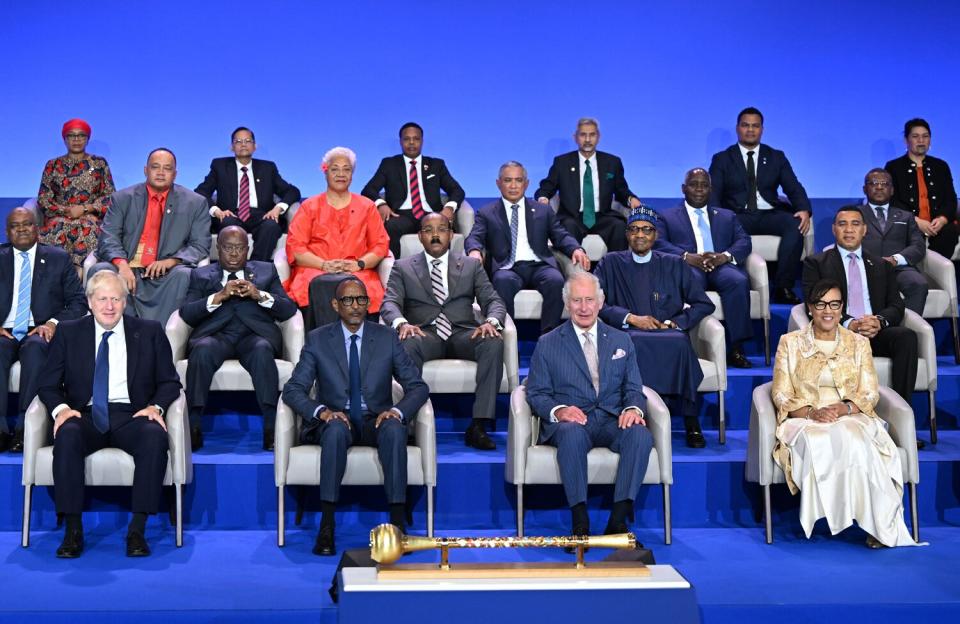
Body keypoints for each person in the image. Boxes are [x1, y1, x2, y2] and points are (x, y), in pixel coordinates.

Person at [38, 270, 181, 558]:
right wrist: (62, 410)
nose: (109, 306)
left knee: (154, 436)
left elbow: (170, 382)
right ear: (90, 302)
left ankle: (137, 529)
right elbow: (47, 384)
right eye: (102, 299)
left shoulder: (150, 331)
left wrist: (156, 407)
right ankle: (73, 531)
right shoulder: (69, 332)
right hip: (85, 415)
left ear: (125, 302)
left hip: (131, 414)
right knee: (67, 436)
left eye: (116, 298)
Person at [282, 278, 429, 556]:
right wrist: (322, 412)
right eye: (348, 300)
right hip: (337, 421)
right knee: (336, 431)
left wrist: (397, 411)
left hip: (376, 419)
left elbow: (418, 387)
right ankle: (327, 527)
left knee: (395, 429)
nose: (355, 306)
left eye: (361, 299)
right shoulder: (318, 339)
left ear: (368, 303)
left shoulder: (386, 338)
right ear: (335, 305)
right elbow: (293, 390)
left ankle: (397, 527)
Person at [771, 278, 920, 548]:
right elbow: (780, 392)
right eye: (821, 304)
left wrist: (845, 408)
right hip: (804, 417)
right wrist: (811, 413)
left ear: (842, 309)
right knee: (825, 438)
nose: (828, 310)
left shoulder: (859, 343)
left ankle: (880, 525)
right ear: (810, 309)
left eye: (834, 304)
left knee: (856, 438)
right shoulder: (790, 343)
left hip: (850, 412)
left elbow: (870, 392)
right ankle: (853, 517)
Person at [525, 271, 653, 538]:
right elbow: (536, 392)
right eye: (576, 301)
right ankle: (580, 522)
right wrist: (559, 411)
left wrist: (632, 408)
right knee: (571, 435)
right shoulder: (548, 343)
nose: (583, 308)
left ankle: (617, 522)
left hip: (611, 418)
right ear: (566, 303)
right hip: (573, 421)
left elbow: (633, 387)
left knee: (640, 435)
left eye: (589, 300)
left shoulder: (621, 340)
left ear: (600, 301)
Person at [381, 213, 506, 450]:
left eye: (441, 229)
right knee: (407, 343)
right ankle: (408, 424)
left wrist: (491, 321)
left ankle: (478, 425)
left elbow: (494, 300)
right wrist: (401, 323)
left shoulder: (471, 265)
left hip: (463, 333)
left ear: (451, 235)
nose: (435, 235)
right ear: (420, 236)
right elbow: (389, 303)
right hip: (424, 333)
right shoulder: (403, 267)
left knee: (492, 341)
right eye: (428, 230)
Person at [595, 206, 715, 448]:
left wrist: (675, 323)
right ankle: (640, 414)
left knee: (680, 343)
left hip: (667, 334)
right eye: (634, 229)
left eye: (647, 230)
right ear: (627, 234)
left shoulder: (674, 264)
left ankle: (691, 420)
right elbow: (595, 303)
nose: (640, 235)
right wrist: (630, 318)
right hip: (626, 333)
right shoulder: (610, 262)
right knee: (634, 342)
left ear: (656, 235)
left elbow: (704, 303)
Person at [179, 226, 298, 452]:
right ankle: (194, 426)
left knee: (262, 350)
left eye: (240, 248)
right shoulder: (201, 275)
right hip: (216, 336)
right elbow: (186, 313)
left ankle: (271, 427)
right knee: (202, 351)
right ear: (218, 249)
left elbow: (288, 310)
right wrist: (218, 296)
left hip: (253, 337)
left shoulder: (266, 272)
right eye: (228, 248)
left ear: (248, 249)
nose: (234, 254)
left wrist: (259, 295)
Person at [802, 206, 918, 409]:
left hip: (874, 332)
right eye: (842, 224)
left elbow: (896, 305)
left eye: (855, 224)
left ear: (865, 230)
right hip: (838, 333)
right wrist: (850, 323)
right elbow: (813, 302)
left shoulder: (881, 264)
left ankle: (902, 415)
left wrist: (878, 322)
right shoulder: (817, 263)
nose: (849, 230)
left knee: (906, 337)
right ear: (833, 229)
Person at [464, 161, 589, 334]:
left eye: (518, 180)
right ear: (498, 183)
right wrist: (474, 251)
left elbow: (560, 235)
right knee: (502, 281)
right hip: (507, 267)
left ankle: (549, 338)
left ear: (527, 184)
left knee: (556, 281)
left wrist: (576, 249)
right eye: (508, 180)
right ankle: (505, 336)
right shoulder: (487, 212)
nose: (513, 186)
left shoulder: (542, 211)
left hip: (540, 265)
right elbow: (474, 236)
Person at [0, 208, 86, 452]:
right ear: (7, 233)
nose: (22, 229)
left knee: (36, 350)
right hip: (3, 331)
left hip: (39, 330)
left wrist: (52, 324)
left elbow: (78, 302)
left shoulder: (58, 258)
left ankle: (26, 429)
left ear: (37, 228)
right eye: (16, 226)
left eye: (27, 224)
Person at [93, 148, 211, 324]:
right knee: (100, 270)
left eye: (167, 168)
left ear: (175, 174)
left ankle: (159, 337)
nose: (161, 173)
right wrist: (122, 265)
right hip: (127, 266)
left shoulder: (195, 202)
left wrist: (171, 261)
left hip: (165, 272)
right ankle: (115, 335)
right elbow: (108, 236)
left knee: (184, 275)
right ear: (145, 170)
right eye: (155, 167)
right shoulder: (123, 198)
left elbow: (200, 244)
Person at [709, 107, 812, 304]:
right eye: (745, 125)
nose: (750, 130)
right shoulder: (722, 158)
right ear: (738, 129)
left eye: (755, 126)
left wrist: (804, 209)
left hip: (769, 213)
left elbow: (793, 186)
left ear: (762, 130)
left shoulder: (776, 157)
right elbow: (714, 193)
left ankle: (783, 287)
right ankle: (734, 282)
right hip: (738, 215)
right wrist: (716, 216)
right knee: (724, 225)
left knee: (794, 224)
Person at [655, 168, 754, 368]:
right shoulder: (667, 216)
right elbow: (659, 243)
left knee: (738, 281)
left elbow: (744, 241)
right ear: (684, 189)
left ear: (711, 189)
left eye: (704, 185)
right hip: (689, 267)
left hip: (719, 266)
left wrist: (724, 257)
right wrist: (685, 257)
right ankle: (691, 346)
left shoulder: (727, 216)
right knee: (692, 283)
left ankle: (736, 348)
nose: (699, 189)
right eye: (694, 184)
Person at [284, 147, 389, 330]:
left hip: (357, 269)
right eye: (335, 169)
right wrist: (324, 265)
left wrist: (360, 264)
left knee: (361, 286)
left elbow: (380, 245)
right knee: (316, 285)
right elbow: (296, 247)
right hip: (315, 268)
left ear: (352, 174)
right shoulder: (309, 206)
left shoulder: (367, 206)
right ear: (325, 171)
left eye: (346, 169)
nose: (341, 174)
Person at [361, 122, 466, 260]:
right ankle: (394, 270)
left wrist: (449, 208)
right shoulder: (389, 164)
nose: (411, 143)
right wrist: (381, 204)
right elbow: (369, 189)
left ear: (422, 141)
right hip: (401, 215)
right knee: (391, 226)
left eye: (416, 139)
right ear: (400, 142)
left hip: (431, 214)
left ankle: (445, 271)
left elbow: (457, 190)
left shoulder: (436, 165)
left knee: (439, 226)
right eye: (406, 139)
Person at [194, 126, 302, 262]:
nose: (243, 144)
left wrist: (278, 208)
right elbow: (201, 192)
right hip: (231, 215)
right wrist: (217, 211)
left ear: (255, 146)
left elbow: (292, 191)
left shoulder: (268, 168)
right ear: (232, 147)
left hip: (261, 215)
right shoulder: (219, 166)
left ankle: (255, 269)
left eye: (247, 141)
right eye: (238, 141)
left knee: (271, 225)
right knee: (229, 224)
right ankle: (232, 269)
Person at [535, 117, 642, 252]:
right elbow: (546, 187)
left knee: (619, 226)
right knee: (568, 226)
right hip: (572, 217)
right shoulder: (562, 162)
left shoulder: (612, 162)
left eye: (592, 135)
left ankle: (614, 270)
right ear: (575, 137)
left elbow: (621, 190)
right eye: (583, 135)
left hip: (602, 216)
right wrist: (543, 198)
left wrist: (631, 199)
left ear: (598, 137)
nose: (587, 139)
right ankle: (575, 272)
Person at [37, 119, 116, 271]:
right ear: (64, 139)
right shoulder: (52, 165)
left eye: (81, 135)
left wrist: (86, 209)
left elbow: (110, 197)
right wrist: (66, 211)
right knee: (51, 238)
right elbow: (43, 198)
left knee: (87, 234)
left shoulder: (99, 163)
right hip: (59, 219)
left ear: (87, 139)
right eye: (71, 136)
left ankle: (79, 284)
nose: (76, 139)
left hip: (90, 219)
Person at [884, 118, 958, 259]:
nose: (921, 140)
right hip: (909, 223)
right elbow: (892, 201)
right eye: (915, 136)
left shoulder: (941, 166)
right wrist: (916, 221)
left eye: (925, 136)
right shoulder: (893, 167)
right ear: (906, 140)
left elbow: (950, 199)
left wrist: (942, 219)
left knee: (949, 232)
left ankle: (938, 276)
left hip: (938, 226)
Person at [858, 168, 928, 314]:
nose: (879, 187)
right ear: (865, 189)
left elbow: (918, 245)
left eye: (884, 183)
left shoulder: (906, 216)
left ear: (892, 190)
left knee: (918, 283)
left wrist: (896, 259)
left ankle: (909, 328)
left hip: (899, 269)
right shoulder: (855, 214)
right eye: (874, 183)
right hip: (864, 268)